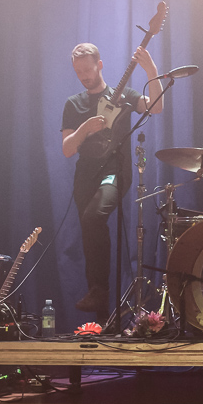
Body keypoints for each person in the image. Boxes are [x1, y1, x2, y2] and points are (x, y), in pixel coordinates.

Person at [61, 42, 162, 322]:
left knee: (93, 217)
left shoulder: (125, 96)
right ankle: (101, 310)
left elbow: (156, 107)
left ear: (100, 65)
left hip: (114, 172)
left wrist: (150, 69)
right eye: (79, 72)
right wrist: (85, 128)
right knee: (89, 231)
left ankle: (100, 291)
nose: (84, 76)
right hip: (85, 176)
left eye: (88, 69)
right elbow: (67, 149)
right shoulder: (74, 103)